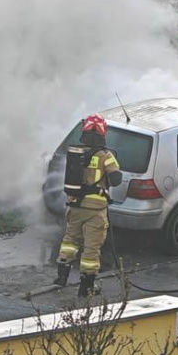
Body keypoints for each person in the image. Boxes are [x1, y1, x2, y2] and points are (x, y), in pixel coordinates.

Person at [53, 114, 122, 296]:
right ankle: (87, 287)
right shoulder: (105, 156)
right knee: (91, 248)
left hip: (74, 206)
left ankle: (61, 276)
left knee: (70, 241)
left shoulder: (77, 153)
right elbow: (116, 180)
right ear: (102, 133)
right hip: (95, 209)